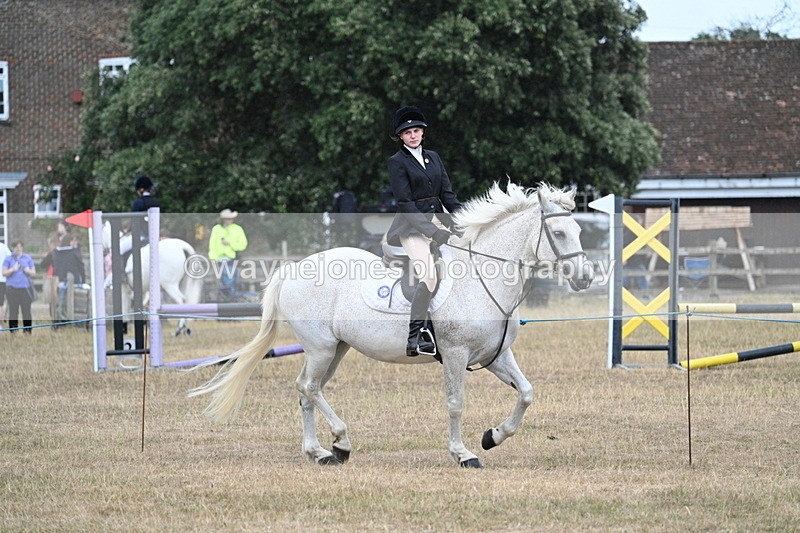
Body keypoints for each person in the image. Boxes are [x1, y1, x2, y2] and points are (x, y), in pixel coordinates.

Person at [386, 106, 462, 357]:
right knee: (429, 275)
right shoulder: (397, 162)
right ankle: (416, 336)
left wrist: (463, 221)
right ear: (400, 136)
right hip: (411, 228)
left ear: (423, 132)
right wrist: (432, 231)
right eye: (408, 132)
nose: (413, 136)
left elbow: (447, 195)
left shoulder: (434, 157)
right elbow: (405, 204)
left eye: (416, 131)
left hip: (437, 221)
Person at [208, 209, 249, 301]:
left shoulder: (237, 229)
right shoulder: (216, 229)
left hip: (231, 259)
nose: (230, 220)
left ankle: (231, 298)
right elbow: (212, 245)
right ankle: (227, 299)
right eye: (227, 218)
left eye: (231, 218)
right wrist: (213, 258)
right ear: (223, 219)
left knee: (229, 282)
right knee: (221, 283)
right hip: (218, 261)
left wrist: (230, 243)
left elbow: (243, 245)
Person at [2, 240, 36, 333]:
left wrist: (28, 271)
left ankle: (27, 330)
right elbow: (4, 273)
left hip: (25, 288)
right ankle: (13, 331)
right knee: (13, 311)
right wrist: (13, 269)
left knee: (26, 311)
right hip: (12, 289)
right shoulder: (9, 259)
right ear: (13, 248)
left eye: (20, 247)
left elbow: (33, 272)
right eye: (16, 247)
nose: (18, 249)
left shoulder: (27, 258)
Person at [52, 234, 86, 323]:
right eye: (74, 241)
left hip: (60, 281)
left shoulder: (56, 253)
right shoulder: (74, 253)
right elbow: (81, 266)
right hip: (74, 281)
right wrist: (83, 280)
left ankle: (59, 319)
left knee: (61, 301)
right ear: (70, 242)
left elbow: (55, 267)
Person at [0, 240, 10, 328]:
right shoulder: (4, 247)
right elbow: (11, 259)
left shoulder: (3, 247)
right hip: (3, 279)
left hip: (2, 279)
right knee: (1, 303)